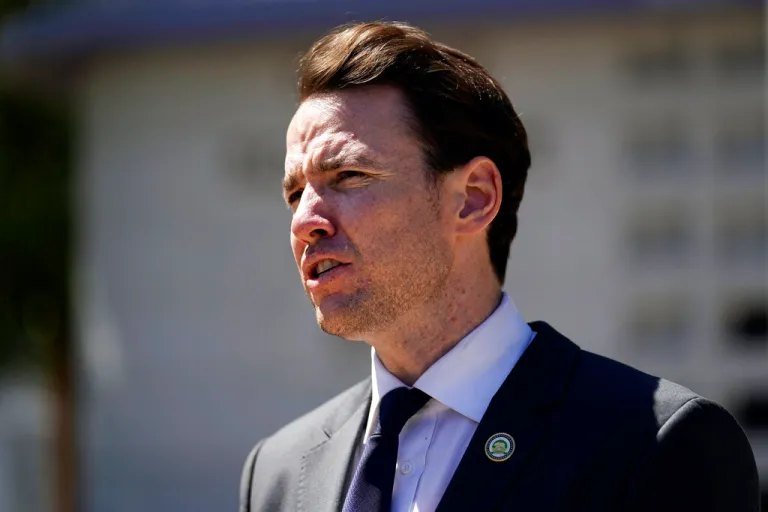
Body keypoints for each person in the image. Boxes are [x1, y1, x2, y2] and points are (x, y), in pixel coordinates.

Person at [239, 21, 760, 512]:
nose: (306, 220)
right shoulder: (277, 472)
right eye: (294, 193)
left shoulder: (655, 443)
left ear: (473, 198)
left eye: (349, 175)